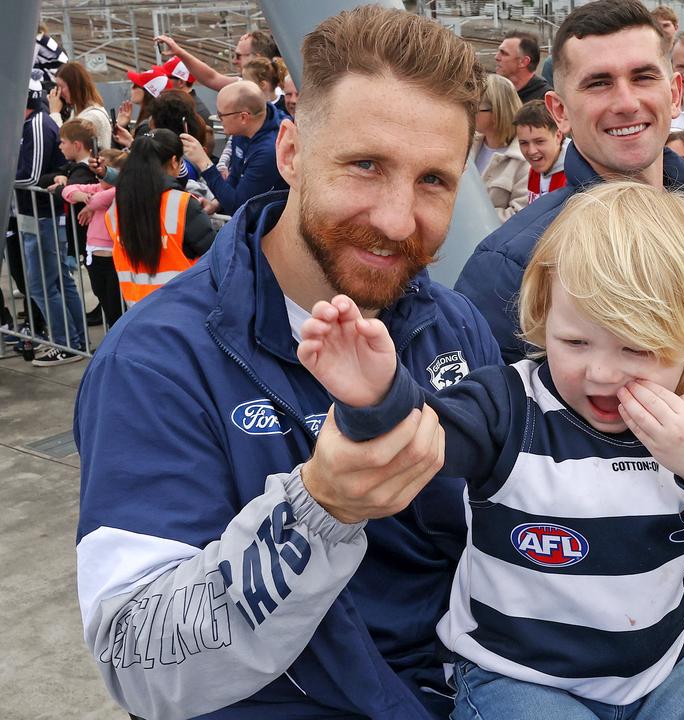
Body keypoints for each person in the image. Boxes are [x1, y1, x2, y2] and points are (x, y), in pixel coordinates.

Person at [74, 7, 493, 717]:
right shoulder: (156, 361)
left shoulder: (452, 324)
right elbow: (137, 657)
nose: (397, 219)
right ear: (292, 153)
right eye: (366, 165)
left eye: (433, 181)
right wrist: (319, 510)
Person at [301, 182, 684, 718]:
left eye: (637, 347)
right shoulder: (510, 404)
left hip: (658, 677)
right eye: (574, 342)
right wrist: (379, 394)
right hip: (516, 678)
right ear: (545, 317)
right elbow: (424, 436)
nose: (601, 372)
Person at [456, 0, 684, 364]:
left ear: (674, 94)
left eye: (643, 77)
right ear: (560, 112)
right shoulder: (511, 267)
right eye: (599, 83)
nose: (626, 102)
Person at [15, 81, 85, 366]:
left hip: (42, 215)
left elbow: (31, 176)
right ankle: (75, 340)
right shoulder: (33, 122)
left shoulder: (37, 124)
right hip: (37, 214)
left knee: (41, 284)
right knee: (55, 282)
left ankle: (66, 342)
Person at [104, 129, 215, 307]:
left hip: (137, 310)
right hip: (183, 310)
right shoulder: (182, 204)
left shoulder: (116, 208)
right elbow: (214, 255)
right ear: (173, 162)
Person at [179, 80, 287, 215]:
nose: (218, 118)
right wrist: (216, 204)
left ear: (243, 117)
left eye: (221, 115)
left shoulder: (269, 150)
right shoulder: (245, 129)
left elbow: (238, 207)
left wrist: (204, 163)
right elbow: (235, 178)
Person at [61, 148, 127, 328]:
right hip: (94, 257)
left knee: (116, 308)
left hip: (115, 259)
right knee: (104, 300)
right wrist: (83, 196)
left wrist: (89, 203)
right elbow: (67, 190)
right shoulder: (96, 188)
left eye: (104, 173)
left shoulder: (121, 191)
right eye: (97, 174)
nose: (99, 178)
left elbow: (101, 200)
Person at [470, 74, 531, 221]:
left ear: (497, 112)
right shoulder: (468, 146)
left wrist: (474, 216)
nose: (470, 112)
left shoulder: (526, 158)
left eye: (475, 106)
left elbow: (520, 215)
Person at [152, 29, 278, 92]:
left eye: (239, 56)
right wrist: (179, 52)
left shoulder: (282, 93)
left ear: (258, 57)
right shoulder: (243, 84)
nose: (234, 61)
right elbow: (211, 78)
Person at [513, 99, 568, 205]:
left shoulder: (574, 176)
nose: (531, 151)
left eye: (539, 141)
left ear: (558, 136)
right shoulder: (535, 169)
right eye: (524, 143)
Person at [51, 61, 112, 150]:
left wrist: (54, 112)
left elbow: (66, 145)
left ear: (74, 86)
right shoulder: (77, 111)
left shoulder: (92, 116)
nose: (59, 93)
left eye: (62, 87)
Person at [496, 31, 550, 104]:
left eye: (504, 53)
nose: (496, 57)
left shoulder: (544, 100)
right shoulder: (497, 92)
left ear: (523, 62)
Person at [33, 22, 69, 91]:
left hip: (54, 74)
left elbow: (29, 64)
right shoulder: (41, 37)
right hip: (57, 70)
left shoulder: (36, 41)